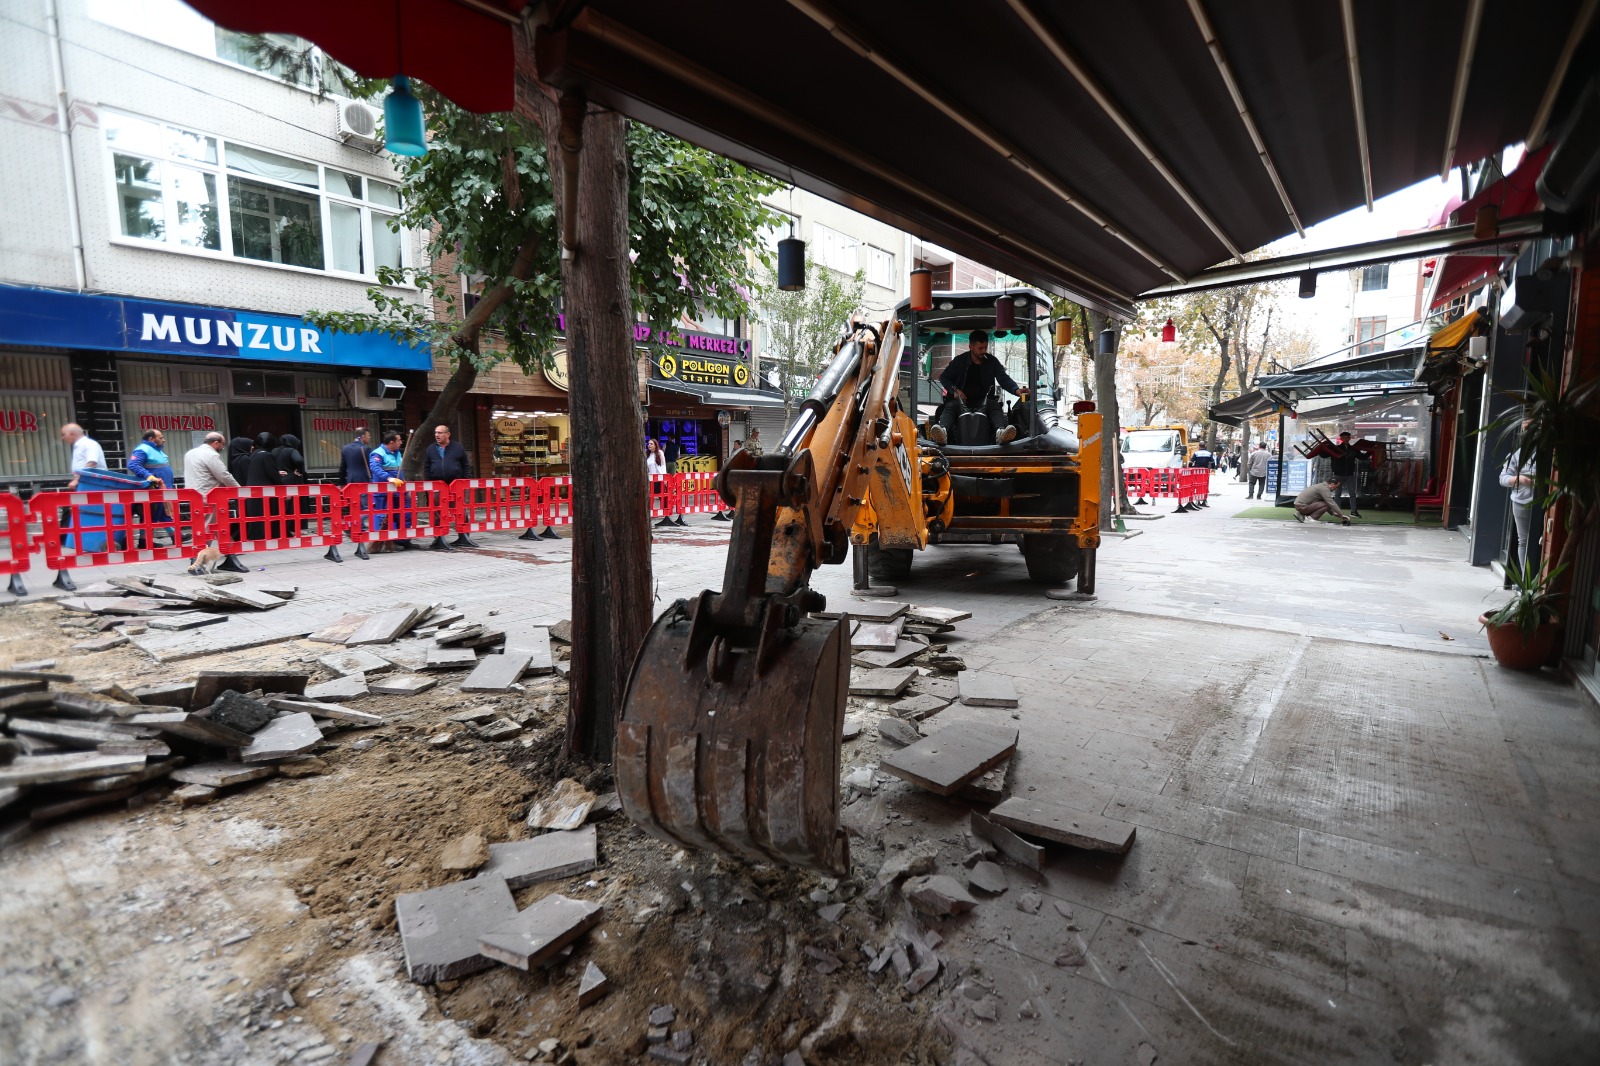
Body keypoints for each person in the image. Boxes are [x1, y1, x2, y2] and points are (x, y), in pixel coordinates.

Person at [929, 330, 1020, 446]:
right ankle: (942, 433)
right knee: (950, 406)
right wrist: (955, 390)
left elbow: (1003, 378)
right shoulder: (959, 361)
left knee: (995, 406)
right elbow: (944, 378)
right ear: (970, 346)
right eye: (980, 348)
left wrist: (1016, 390)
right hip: (961, 402)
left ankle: (1000, 433)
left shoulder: (992, 361)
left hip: (985, 402)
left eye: (985, 347)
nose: (984, 351)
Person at [182, 432, 249, 573]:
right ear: (216, 442)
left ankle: (230, 552)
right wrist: (238, 490)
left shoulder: (190, 453)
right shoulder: (211, 455)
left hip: (193, 495)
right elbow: (223, 475)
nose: (222, 448)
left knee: (217, 528)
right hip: (209, 495)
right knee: (207, 529)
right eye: (222, 444)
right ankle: (197, 560)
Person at [423, 423, 476, 549]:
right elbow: (426, 466)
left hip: (455, 485)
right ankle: (439, 537)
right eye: (436, 433)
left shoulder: (457, 447)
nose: (437, 435)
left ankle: (464, 535)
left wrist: (464, 480)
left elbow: (465, 465)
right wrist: (428, 483)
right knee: (437, 511)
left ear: (448, 434)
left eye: (440, 433)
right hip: (437, 484)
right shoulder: (431, 449)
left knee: (459, 510)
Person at [127, 428, 176, 545]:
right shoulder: (143, 449)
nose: (163, 440)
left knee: (162, 511)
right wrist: (149, 477)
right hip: (154, 486)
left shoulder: (156, 450)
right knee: (153, 513)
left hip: (162, 486)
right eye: (160, 438)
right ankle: (145, 541)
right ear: (151, 439)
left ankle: (175, 536)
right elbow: (133, 465)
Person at [1499, 419, 1536, 571]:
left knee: (1539, 539)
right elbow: (1503, 478)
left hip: (1543, 502)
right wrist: (1518, 479)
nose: (1526, 433)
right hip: (1521, 501)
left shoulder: (1548, 453)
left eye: (1529, 428)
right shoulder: (1516, 454)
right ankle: (1524, 580)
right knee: (1523, 540)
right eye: (1523, 429)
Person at [369, 430, 414, 550]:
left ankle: (403, 540)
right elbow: (375, 468)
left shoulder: (397, 453)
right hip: (383, 493)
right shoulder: (378, 453)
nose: (401, 442)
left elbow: (400, 470)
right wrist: (389, 478)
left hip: (399, 491)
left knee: (405, 515)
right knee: (384, 518)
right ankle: (386, 542)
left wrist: (406, 488)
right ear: (392, 442)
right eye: (399, 440)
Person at [243, 432, 285, 542]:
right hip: (266, 492)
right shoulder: (267, 455)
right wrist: (282, 489)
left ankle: (257, 537)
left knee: (256, 517)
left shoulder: (254, 454)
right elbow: (273, 474)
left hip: (253, 491)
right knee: (267, 516)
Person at [59, 423, 105, 490]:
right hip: (87, 482)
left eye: (63, 435)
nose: (63, 438)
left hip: (94, 483)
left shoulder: (89, 444)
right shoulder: (80, 446)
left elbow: (92, 463)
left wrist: (77, 480)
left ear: (72, 434)